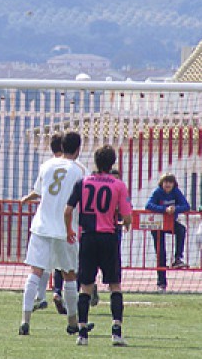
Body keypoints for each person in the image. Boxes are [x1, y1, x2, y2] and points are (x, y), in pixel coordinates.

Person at [65, 145, 133, 346]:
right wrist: (125, 224)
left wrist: (69, 230)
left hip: (87, 237)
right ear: (112, 163)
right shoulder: (118, 184)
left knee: (85, 286)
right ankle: (116, 332)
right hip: (108, 238)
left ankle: (83, 334)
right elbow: (127, 215)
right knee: (115, 285)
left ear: (95, 161)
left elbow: (68, 210)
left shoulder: (82, 182)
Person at [18, 131, 84, 336]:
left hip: (41, 226)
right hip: (66, 230)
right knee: (70, 275)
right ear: (78, 149)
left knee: (35, 273)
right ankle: (72, 322)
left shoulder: (46, 166)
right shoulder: (80, 171)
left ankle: (25, 320)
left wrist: (25, 199)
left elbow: (38, 191)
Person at [145, 173, 191, 292]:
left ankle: (178, 258)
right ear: (162, 183)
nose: (168, 184)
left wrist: (175, 209)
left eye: (170, 182)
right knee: (161, 254)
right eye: (166, 182)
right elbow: (148, 205)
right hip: (157, 225)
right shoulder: (157, 192)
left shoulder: (176, 192)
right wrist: (164, 210)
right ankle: (161, 283)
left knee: (181, 229)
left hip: (170, 223)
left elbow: (186, 206)